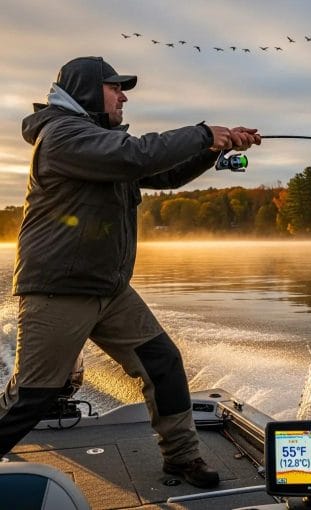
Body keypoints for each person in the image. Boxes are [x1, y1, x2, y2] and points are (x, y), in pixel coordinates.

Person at [0, 56, 261, 488]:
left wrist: (213, 149)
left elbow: (163, 173)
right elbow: (136, 156)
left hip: (109, 288)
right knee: (33, 396)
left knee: (163, 364)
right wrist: (201, 133)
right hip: (60, 288)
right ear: (87, 90)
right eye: (115, 87)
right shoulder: (63, 136)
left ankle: (181, 459)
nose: (123, 97)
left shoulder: (99, 144)